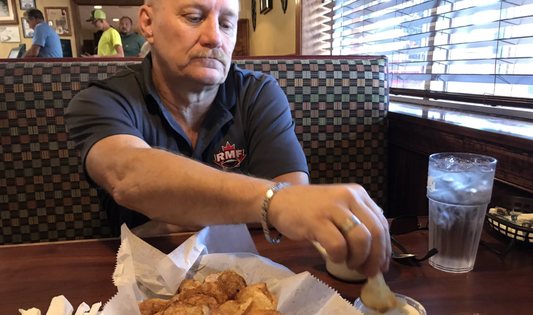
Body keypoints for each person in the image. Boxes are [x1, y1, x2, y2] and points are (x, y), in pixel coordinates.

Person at [65, 0, 390, 278]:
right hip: (136, 282)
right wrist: (272, 204)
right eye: (194, 17)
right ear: (148, 23)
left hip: (248, 277)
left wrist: (165, 214)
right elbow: (130, 175)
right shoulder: (102, 101)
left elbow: (293, 196)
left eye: (226, 23)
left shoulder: (258, 93)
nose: (213, 37)